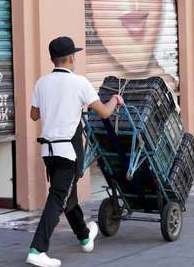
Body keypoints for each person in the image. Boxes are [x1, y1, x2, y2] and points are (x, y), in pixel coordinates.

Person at [26, 36, 124, 267]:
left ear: (52, 59)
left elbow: (34, 114)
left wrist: (53, 106)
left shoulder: (42, 83)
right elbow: (104, 112)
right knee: (58, 198)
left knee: (65, 194)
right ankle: (37, 249)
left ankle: (83, 235)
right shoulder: (80, 83)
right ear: (71, 57)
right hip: (68, 150)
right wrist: (114, 100)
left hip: (48, 151)